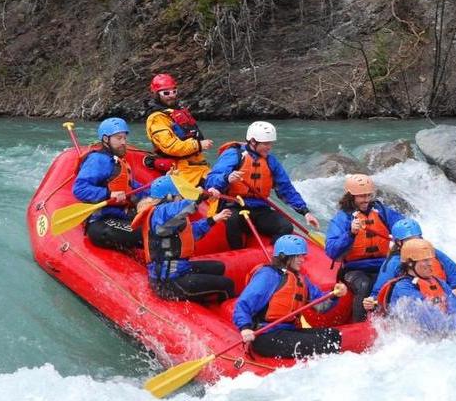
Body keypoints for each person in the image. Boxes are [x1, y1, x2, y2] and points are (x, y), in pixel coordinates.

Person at [205, 121, 320, 250]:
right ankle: (237, 252)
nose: (269, 147)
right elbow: (211, 181)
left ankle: (274, 256)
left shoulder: (271, 161)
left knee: (286, 226)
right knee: (233, 220)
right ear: (253, 142)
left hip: (259, 209)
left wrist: (305, 212)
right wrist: (227, 178)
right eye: (266, 144)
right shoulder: (234, 155)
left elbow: (285, 188)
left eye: (271, 143)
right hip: (235, 205)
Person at [233, 235, 347, 358]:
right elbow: (243, 304)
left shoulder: (301, 279)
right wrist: (245, 328)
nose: (302, 259)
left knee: (334, 335)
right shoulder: (268, 275)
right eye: (298, 256)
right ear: (284, 257)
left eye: (303, 255)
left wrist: (335, 294)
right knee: (323, 343)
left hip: (288, 331)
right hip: (265, 336)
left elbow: (320, 305)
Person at [135, 175, 235, 303]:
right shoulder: (160, 215)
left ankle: (203, 301)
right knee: (227, 284)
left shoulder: (171, 219)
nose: (182, 197)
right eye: (180, 195)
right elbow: (176, 210)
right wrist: (199, 198)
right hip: (168, 282)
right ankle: (223, 314)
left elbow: (189, 233)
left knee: (218, 267)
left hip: (177, 269)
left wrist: (213, 219)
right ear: (169, 197)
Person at [324, 174, 405, 322]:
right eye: (361, 196)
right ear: (351, 196)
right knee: (364, 285)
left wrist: (406, 236)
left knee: (398, 283)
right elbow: (331, 251)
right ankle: (359, 324)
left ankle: (396, 322)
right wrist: (350, 233)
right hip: (354, 269)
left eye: (368, 195)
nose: (366, 199)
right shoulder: (342, 218)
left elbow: (401, 224)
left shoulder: (380, 211)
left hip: (382, 266)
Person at [378, 238, 456, 336]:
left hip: (442, 330)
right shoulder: (403, 287)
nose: (430, 264)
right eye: (425, 261)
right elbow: (424, 316)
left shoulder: (439, 282)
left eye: (430, 260)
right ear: (410, 263)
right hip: (419, 335)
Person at [363, 218, 456, 313]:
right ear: (399, 242)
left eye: (418, 238)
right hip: (416, 301)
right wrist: (374, 300)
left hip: (439, 293)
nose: (416, 243)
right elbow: (381, 289)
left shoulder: (428, 250)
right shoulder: (394, 264)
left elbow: (451, 268)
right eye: (411, 240)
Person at [72, 117, 143, 251]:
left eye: (124, 138)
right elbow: (79, 189)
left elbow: (130, 185)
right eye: (118, 138)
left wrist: (158, 190)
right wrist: (109, 194)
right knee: (148, 234)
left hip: (122, 214)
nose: (123, 142)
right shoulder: (97, 160)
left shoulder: (116, 160)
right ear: (105, 139)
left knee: (157, 226)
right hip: (101, 220)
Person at [145, 73, 213, 186]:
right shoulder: (157, 119)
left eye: (173, 91)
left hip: (196, 164)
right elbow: (170, 146)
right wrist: (198, 145)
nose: (171, 95)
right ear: (156, 94)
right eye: (166, 93)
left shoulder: (177, 111)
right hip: (180, 168)